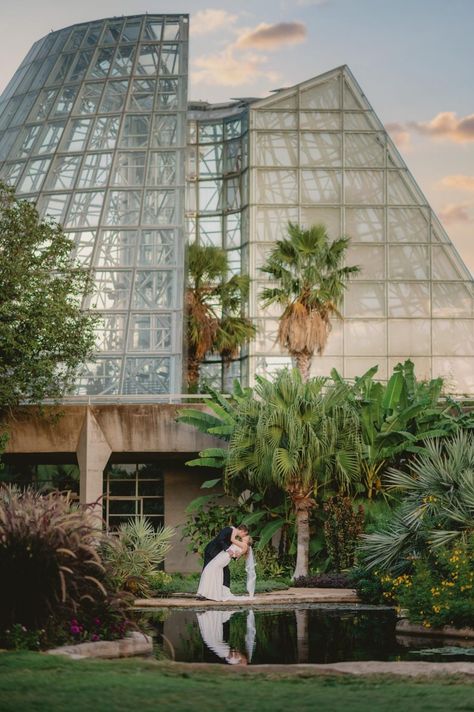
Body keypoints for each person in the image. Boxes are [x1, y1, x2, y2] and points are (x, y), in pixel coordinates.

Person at [197, 532, 253, 601]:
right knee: (210, 572)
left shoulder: (244, 546)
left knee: (210, 571)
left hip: (224, 557)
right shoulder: (240, 544)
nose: (243, 539)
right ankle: (207, 594)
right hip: (222, 556)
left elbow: (237, 554)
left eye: (245, 539)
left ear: (247, 542)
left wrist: (234, 553)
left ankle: (207, 594)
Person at [201, 524, 249, 592]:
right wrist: (228, 550)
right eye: (244, 534)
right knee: (207, 570)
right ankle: (203, 592)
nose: (243, 536)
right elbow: (220, 539)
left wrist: (235, 555)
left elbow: (231, 546)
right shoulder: (228, 529)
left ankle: (223, 591)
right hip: (211, 552)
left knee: (226, 573)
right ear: (242, 531)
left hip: (219, 556)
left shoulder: (233, 535)